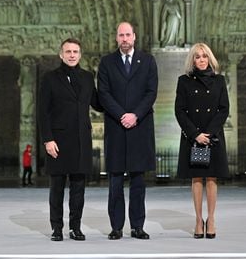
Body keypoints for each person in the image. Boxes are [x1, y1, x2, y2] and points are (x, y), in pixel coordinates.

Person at [97, 22, 158, 240]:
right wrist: (122, 115)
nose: (124, 39)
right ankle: (116, 227)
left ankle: (137, 227)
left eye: (128, 35)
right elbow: (103, 93)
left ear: (134, 36)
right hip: (116, 127)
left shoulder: (148, 61)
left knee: (138, 182)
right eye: (121, 35)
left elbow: (151, 93)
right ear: (116, 38)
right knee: (115, 182)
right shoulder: (106, 62)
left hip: (139, 127)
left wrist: (135, 115)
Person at [38, 38, 103, 242]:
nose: (72, 55)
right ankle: (57, 228)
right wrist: (48, 139)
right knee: (56, 188)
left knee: (78, 189)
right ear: (61, 54)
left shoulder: (87, 77)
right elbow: (43, 112)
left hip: (81, 139)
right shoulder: (49, 78)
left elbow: (98, 103)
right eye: (68, 51)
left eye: (75, 51)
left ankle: (75, 228)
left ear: (80, 55)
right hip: (57, 141)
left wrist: (122, 97)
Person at [174, 43, 229, 239]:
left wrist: (209, 133)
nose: (201, 59)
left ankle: (211, 219)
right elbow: (179, 110)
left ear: (210, 58)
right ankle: (198, 220)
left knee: (212, 179)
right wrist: (195, 134)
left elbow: (224, 109)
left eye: (204, 56)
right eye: (197, 56)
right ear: (193, 60)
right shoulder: (184, 81)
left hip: (212, 136)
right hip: (193, 136)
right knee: (196, 179)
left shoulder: (220, 81)